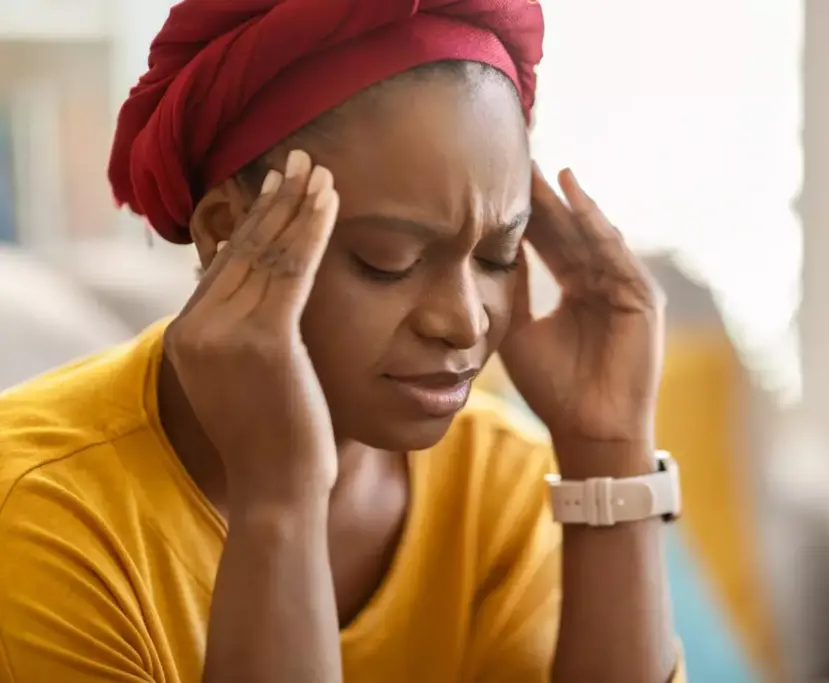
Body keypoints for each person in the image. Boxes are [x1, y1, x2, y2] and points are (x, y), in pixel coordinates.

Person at [0, 1, 683, 682]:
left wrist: (607, 451)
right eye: (389, 259)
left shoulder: (504, 485)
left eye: (497, 255)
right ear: (226, 231)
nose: (467, 321)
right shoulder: (39, 514)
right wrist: (280, 502)